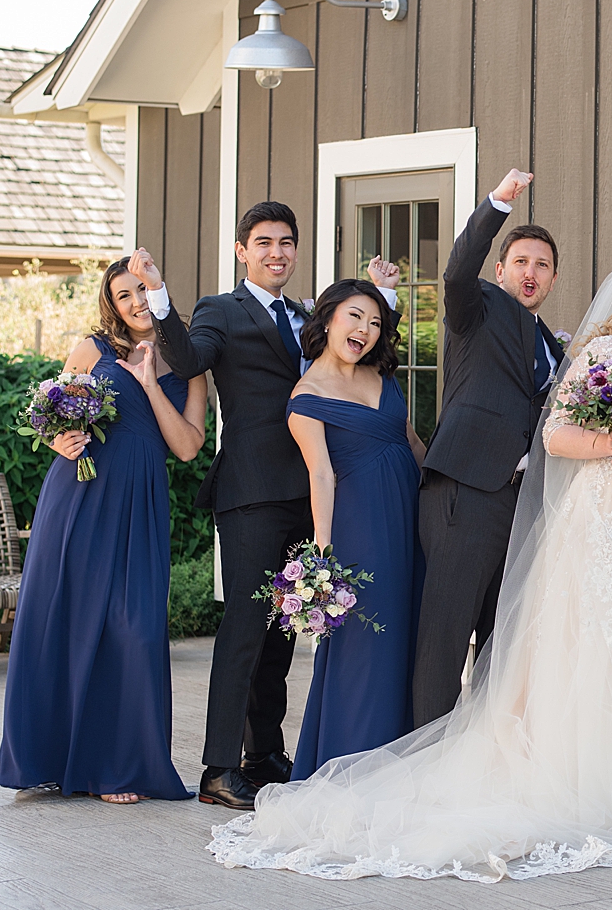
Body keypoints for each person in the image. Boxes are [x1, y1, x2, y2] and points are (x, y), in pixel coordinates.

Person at [207, 250, 612, 882]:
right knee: (463, 642)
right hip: (601, 516)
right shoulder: (600, 352)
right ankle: (429, 753)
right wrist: (606, 443)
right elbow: (557, 432)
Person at [131, 203, 401, 810]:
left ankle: (264, 752)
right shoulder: (218, 310)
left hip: (312, 484)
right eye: (263, 242)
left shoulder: (310, 314)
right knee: (245, 629)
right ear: (241, 251)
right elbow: (190, 358)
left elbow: (354, 350)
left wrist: (384, 297)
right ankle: (218, 768)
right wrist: (157, 295)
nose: (276, 252)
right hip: (252, 491)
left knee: (285, 630)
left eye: (286, 242)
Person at [0, 259, 208, 804]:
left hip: (138, 500)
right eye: (123, 294)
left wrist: (148, 383)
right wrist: (58, 441)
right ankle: (47, 759)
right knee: (63, 617)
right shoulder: (92, 348)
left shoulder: (188, 361)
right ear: (111, 304)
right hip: (79, 494)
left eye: (141, 289)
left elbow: (186, 446)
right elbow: (53, 414)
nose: (135, 301)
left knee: (132, 626)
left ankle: (117, 765)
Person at [414, 169, 569, 727]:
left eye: (542, 266)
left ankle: (474, 760)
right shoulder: (475, 307)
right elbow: (457, 270)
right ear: (501, 270)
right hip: (466, 492)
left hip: (521, 505)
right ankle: (423, 759)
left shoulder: (552, 344)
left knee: (500, 643)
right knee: (445, 639)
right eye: (521, 262)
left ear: (553, 279)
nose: (531, 273)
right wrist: (497, 205)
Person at [286, 280, 427, 779]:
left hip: (410, 518)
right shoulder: (306, 399)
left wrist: (440, 505)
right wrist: (322, 555)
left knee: (409, 636)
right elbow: (320, 475)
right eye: (354, 317)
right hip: (361, 528)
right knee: (369, 642)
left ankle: (404, 759)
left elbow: (411, 442)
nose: (365, 330)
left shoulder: (383, 378)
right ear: (327, 320)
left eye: (373, 322)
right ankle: (352, 763)